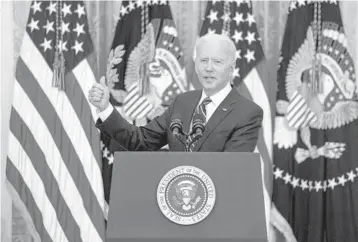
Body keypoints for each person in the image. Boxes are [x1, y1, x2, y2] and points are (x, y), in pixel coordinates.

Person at [88, 34, 263, 152]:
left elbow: (231, 167)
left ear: (231, 68)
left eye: (217, 62)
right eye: (203, 60)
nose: (208, 68)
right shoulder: (182, 102)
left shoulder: (248, 112)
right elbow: (140, 141)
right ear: (195, 65)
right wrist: (105, 108)